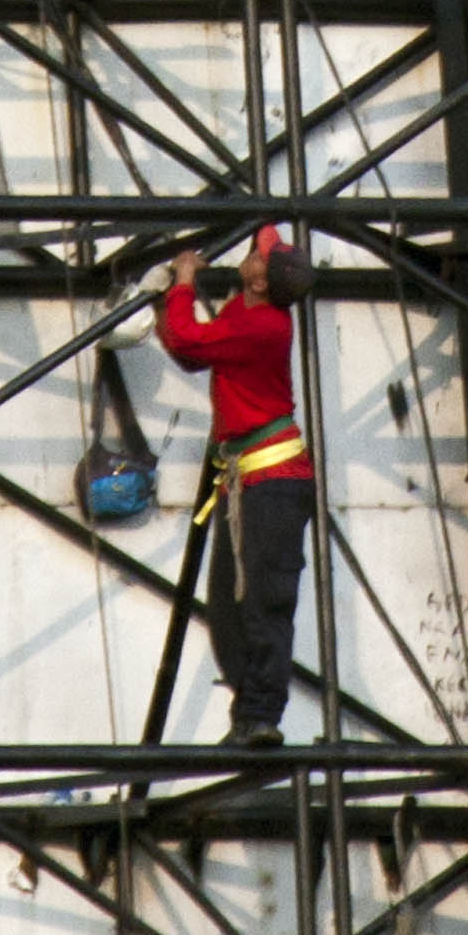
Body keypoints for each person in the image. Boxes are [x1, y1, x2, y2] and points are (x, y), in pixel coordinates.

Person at [158, 225, 319, 745]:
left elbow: (187, 338)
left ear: (258, 280)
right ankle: (248, 714)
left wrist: (182, 282)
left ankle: (262, 717)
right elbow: (190, 351)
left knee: (265, 602)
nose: (252, 253)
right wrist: (173, 304)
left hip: (272, 481)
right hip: (246, 481)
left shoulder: (262, 328)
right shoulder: (245, 315)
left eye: (258, 255)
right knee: (229, 606)